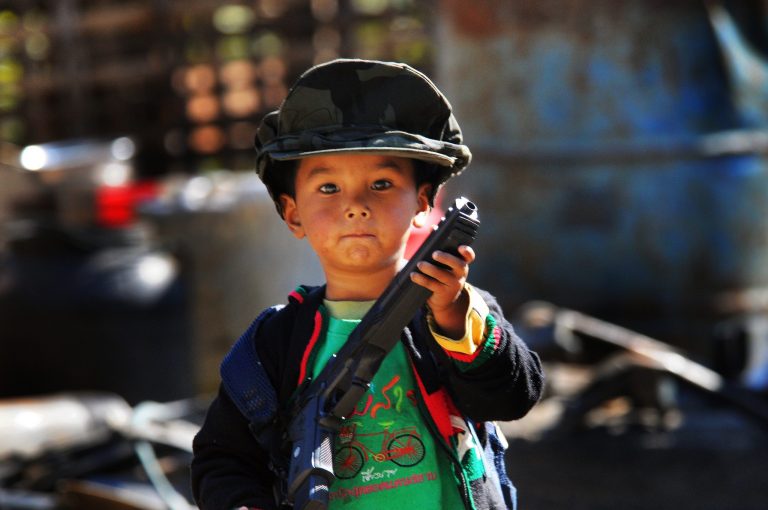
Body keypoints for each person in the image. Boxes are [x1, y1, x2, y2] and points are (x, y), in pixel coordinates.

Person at [191, 58, 544, 510]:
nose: (355, 205)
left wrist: (456, 316)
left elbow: (514, 397)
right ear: (293, 212)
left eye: (380, 183)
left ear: (422, 202)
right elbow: (222, 461)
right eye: (328, 188)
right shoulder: (271, 347)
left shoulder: (456, 312)